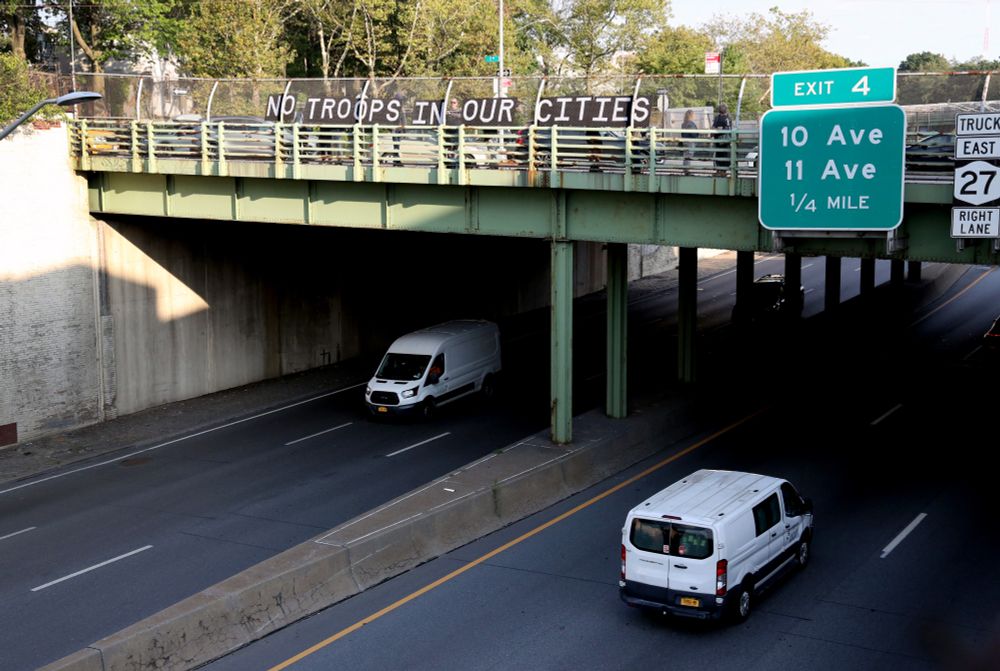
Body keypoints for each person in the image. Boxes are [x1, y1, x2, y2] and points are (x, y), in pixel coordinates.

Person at [712, 102, 732, 173]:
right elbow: (729, 129)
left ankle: (719, 170)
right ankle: (722, 171)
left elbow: (713, 128)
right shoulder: (728, 118)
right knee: (724, 155)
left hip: (719, 140)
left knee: (720, 155)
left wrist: (715, 131)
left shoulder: (717, 118)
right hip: (725, 141)